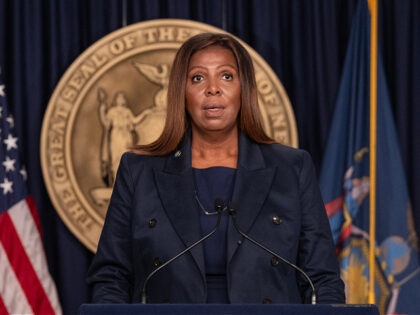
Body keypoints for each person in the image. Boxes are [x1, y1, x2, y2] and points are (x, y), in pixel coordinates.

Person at [87, 33, 345, 304]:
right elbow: (111, 276)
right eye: (198, 78)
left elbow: (322, 279)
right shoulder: (138, 171)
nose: (212, 88)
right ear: (180, 92)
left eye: (226, 76)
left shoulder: (292, 168)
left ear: (243, 88)